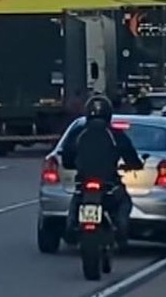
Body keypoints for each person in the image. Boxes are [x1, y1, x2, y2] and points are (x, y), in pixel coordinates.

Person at [61, 95, 145, 246]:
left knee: (77, 199)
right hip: (108, 182)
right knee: (124, 203)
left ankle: (71, 224)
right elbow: (131, 157)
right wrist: (133, 165)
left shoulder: (79, 133)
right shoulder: (115, 134)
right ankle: (120, 229)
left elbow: (67, 157)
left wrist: (75, 164)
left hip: (85, 181)